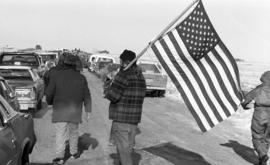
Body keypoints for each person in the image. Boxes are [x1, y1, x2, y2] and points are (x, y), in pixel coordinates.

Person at [45, 53, 92, 165]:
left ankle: (59, 157)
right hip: (75, 110)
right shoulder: (81, 78)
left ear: (65, 63)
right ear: (75, 64)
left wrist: (50, 102)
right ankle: (74, 153)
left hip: (60, 109)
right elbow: (87, 95)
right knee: (74, 132)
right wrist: (88, 110)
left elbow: (49, 93)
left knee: (60, 134)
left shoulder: (56, 76)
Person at [103, 49, 146, 165]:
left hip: (122, 118)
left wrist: (107, 86)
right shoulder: (141, 77)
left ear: (124, 62)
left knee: (123, 152)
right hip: (134, 120)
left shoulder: (123, 75)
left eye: (121, 61)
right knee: (127, 150)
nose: (120, 63)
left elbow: (113, 96)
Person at [242, 71, 270, 165]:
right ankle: (263, 158)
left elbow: (246, 99)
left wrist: (245, 106)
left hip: (260, 114)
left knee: (257, 136)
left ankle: (262, 155)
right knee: (267, 138)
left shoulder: (259, 88)